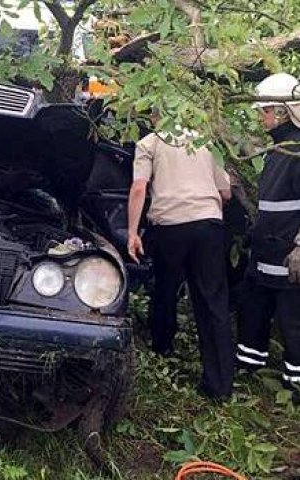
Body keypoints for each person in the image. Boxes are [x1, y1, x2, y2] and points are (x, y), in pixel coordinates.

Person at [127, 109, 234, 400]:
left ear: (153, 116)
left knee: (165, 289)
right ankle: (220, 384)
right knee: (213, 300)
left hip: (170, 227)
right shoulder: (204, 141)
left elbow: (139, 188)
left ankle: (162, 347)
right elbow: (226, 193)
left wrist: (133, 232)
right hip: (208, 226)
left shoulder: (149, 143)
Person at [235, 72, 300, 397]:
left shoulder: (296, 152)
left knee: (292, 318)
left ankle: (295, 382)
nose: (260, 117)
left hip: (287, 254)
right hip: (266, 251)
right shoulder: (280, 149)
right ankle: (250, 363)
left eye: (264, 111)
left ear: (282, 112)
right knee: (254, 306)